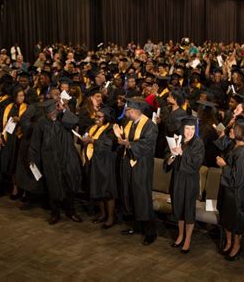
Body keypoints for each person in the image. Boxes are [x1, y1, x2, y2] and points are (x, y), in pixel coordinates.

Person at [28, 99, 83, 225]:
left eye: (54, 111)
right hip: (50, 160)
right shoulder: (41, 123)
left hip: (67, 158)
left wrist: (63, 109)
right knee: (53, 187)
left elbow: (75, 121)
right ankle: (55, 213)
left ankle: (71, 212)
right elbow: (35, 142)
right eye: (50, 112)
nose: (53, 114)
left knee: (69, 185)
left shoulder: (63, 118)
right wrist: (32, 158)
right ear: (45, 113)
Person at [113, 97, 158, 245]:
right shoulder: (129, 123)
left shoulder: (150, 125)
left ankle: (150, 232)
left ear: (133, 111)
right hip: (128, 163)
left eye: (127, 110)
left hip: (142, 166)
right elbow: (126, 141)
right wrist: (119, 137)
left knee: (142, 197)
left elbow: (147, 144)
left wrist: (129, 144)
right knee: (130, 194)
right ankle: (136, 226)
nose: (125, 112)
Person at [164, 115, 205, 254]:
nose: (190, 132)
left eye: (192, 128)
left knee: (188, 210)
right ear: (183, 128)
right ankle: (180, 235)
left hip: (190, 181)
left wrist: (182, 153)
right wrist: (172, 156)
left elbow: (196, 164)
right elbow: (168, 162)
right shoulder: (177, 140)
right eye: (187, 128)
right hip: (177, 179)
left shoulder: (198, 143)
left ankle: (187, 239)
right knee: (178, 209)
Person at [215, 119, 244, 261]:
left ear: (241, 132)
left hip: (236, 193)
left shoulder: (243, 152)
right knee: (226, 217)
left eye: (233, 128)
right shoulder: (234, 146)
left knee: (236, 220)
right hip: (227, 189)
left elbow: (239, 178)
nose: (230, 129)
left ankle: (236, 245)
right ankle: (229, 242)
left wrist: (224, 165)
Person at [81, 106, 118, 229]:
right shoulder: (92, 128)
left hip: (106, 163)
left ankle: (110, 217)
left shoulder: (111, 129)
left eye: (99, 117)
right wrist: (84, 139)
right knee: (96, 188)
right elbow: (85, 136)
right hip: (93, 162)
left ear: (106, 118)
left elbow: (108, 144)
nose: (96, 119)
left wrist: (92, 140)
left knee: (107, 190)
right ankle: (102, 214)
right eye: (95, 116)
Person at [0, 86, 28, 200]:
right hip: (10, 139)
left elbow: (30, 123)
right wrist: (0, 134)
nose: (22, 98)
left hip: (21, 140)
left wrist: (20, 120)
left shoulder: (27, 108)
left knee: (21, 165)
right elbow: (2, 122)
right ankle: (15, 187)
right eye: (20, 96)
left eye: (23, 95)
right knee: (12, 164)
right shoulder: (8, 108)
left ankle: (24, 190)